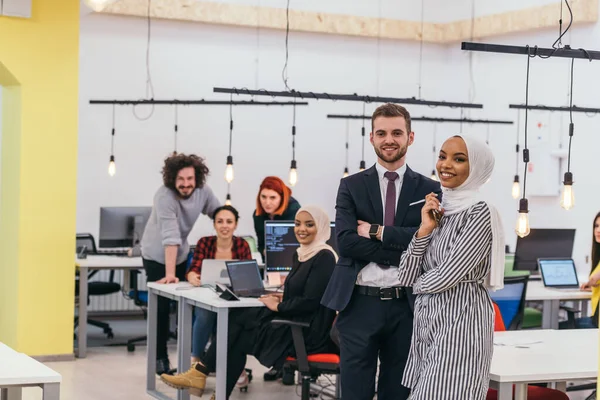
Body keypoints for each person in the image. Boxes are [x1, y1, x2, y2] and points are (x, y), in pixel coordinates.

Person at [321, 103, 441, 400]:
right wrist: (405, 245)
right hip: (359, 304)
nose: (390, 139)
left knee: (398, 393)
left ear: (410, 137)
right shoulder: (350, 186)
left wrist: (376, 232)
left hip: (408, 307)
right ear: (371, 137)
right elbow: (346, 242)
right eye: (382, 133)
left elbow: (430, 246)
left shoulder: (431, 190)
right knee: (354, 393)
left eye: (397, 133)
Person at [160, 205, 338, 399]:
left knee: (236, 324)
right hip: (295, 320)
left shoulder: (324, 257)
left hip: (307, 332)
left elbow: (311, 303)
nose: (301, 229)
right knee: (236, 340)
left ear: (320, 227)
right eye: (297, 224)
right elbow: (302, 294)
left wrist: (278, 305)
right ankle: (212, 389)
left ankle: (200, 373)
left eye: (309, 224)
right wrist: (282, 297)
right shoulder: (301, 253)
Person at [396, 135, 505, 400]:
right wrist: (424, 230)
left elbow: (448, 274)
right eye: (443, 156)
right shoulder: (438, 211)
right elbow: (405, 273)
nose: (446, 164)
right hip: (428, 324)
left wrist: (416, 284)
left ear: (476, 167)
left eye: (459, 159)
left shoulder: (480, 212)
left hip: (462, 321)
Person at [141, 153, 220, 375]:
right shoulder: (164, 197)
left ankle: (196, 357)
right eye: (181, 180)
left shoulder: (203, 192)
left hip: (182, 253)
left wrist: (226, 236)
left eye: (190, 180)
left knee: (190, 305)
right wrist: (169, 275)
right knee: (162, 307)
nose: (186, 185)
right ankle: (159, 358)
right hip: (157, 255)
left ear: (197, 178)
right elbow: (170, 237)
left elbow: (218, 213)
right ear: (172, 179)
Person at [186, 205, 252, 391]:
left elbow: (247, 275)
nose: (224, 226)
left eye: (229, 222)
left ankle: (234, 367)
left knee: (233, 319)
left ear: (236, 225)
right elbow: (194, 270)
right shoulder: (205, 243)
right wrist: (192, 276)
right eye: (220, 221)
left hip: (234, 297)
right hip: (207, 294)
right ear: (214, 224)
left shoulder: (242, 245)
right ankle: (196, 363)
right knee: (204, 314)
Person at [253, 176, 301, 261]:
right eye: (263, 197)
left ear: (282, 198)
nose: (267, 203)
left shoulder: (293, 210)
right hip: (270, 261)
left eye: (273, 197)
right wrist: (265, 251)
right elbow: (261, 244)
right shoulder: (258, 215)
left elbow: (292, 244)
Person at [576, 211, 600, 328]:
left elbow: (596, 277)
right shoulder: (598, 258)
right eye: (596, 226)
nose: (598, 230)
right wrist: (592, 286)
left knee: (556, 327)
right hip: (595, 316)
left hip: (597, 322)